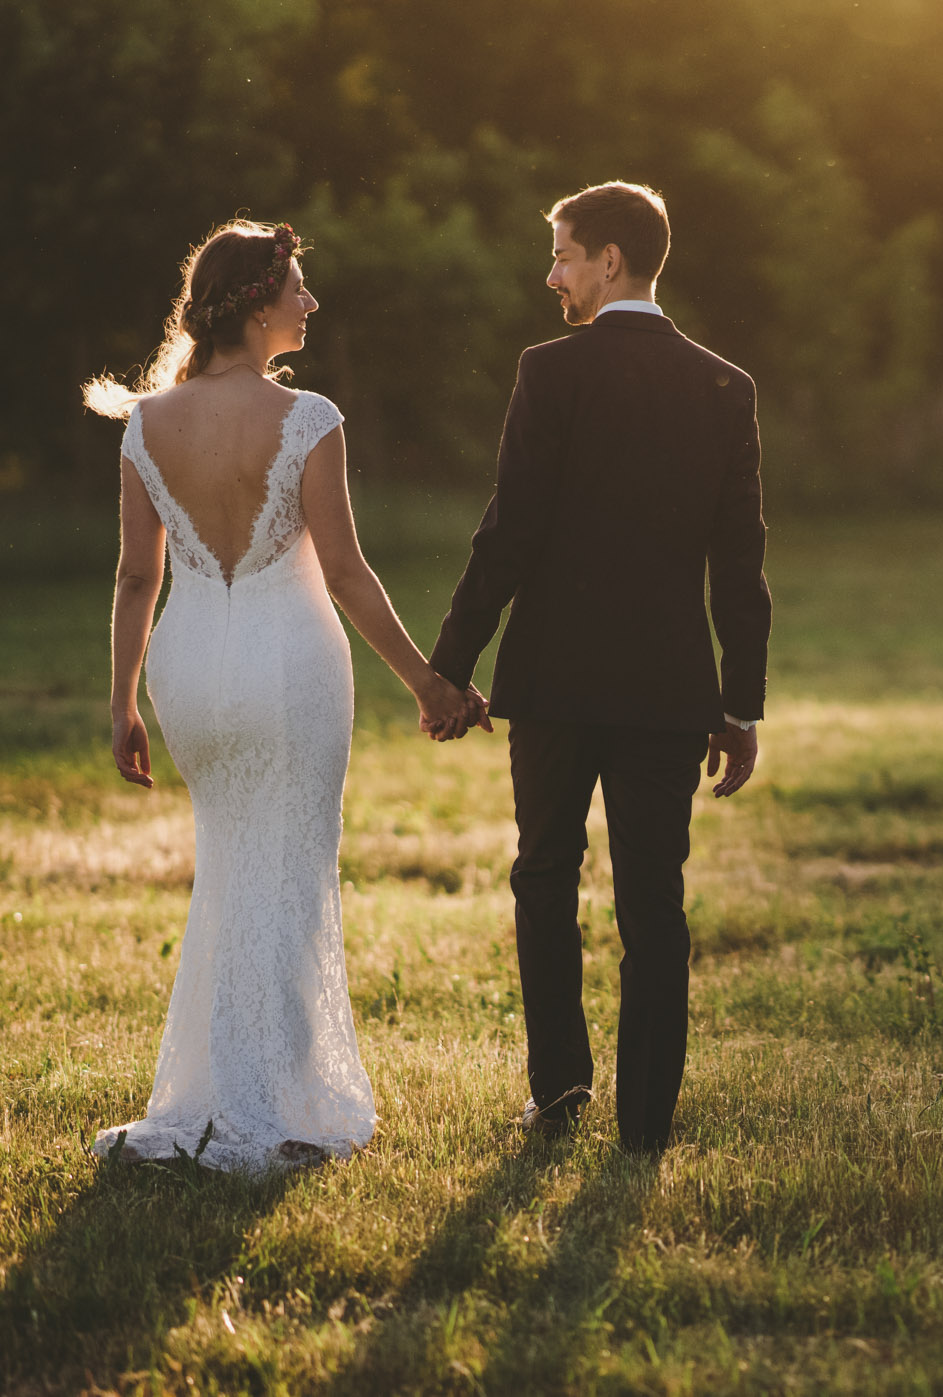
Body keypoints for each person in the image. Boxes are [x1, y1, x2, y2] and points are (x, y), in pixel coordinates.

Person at [83, 220, 486, 1174]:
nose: (310, 303)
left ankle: (218, 1096)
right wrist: (427, 681)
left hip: (190, 671)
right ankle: (264, 1116)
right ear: (258, 304)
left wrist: (122, 704)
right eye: (299, 288)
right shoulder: (310, 421)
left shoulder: (148, 424)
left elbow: (136, 580)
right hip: (289, 666)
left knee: (229, 871)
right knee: (289, 880)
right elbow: (344, 571)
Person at [430, 181, 772, 1155]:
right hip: (669, 690)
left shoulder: (549, 372)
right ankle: (647, 1123)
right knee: (653, 901)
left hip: (555, 680)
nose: (554, 277)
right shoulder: (724, 384)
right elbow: (739, 559)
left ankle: (562, 1087)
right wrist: (738, 701)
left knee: (544, 876)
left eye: (565, 256)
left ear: (610, 260)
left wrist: (450, 665)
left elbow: (509, 534)